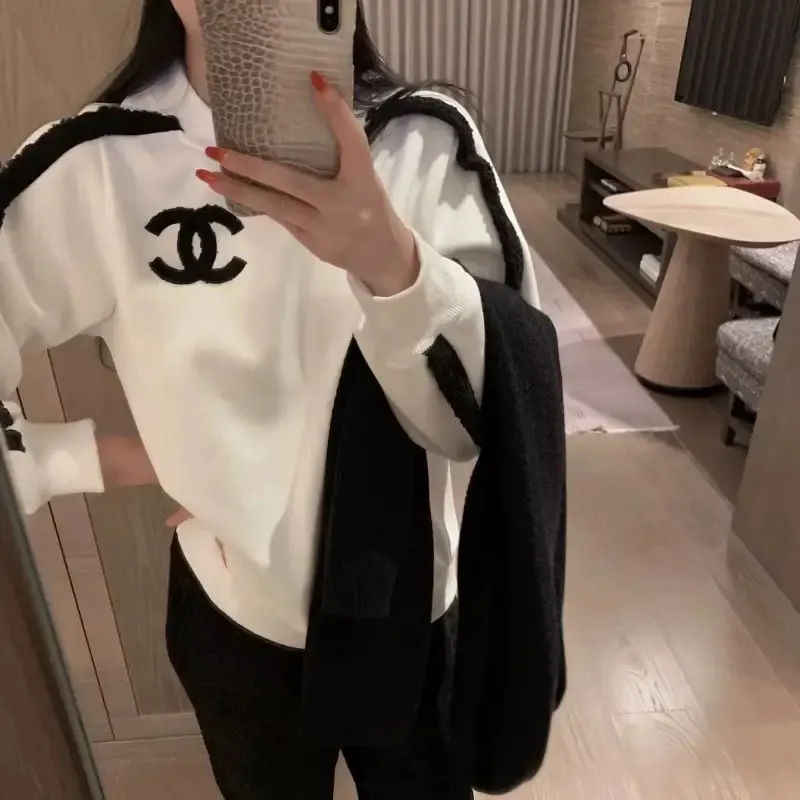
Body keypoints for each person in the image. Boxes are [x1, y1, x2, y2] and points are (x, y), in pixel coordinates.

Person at [0, 1, 554, 798]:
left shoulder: (424, 146)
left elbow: (488, 418)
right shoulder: (99, 168)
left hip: (411, 613)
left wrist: (391, 263)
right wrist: (107, 459)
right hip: (236, 619)